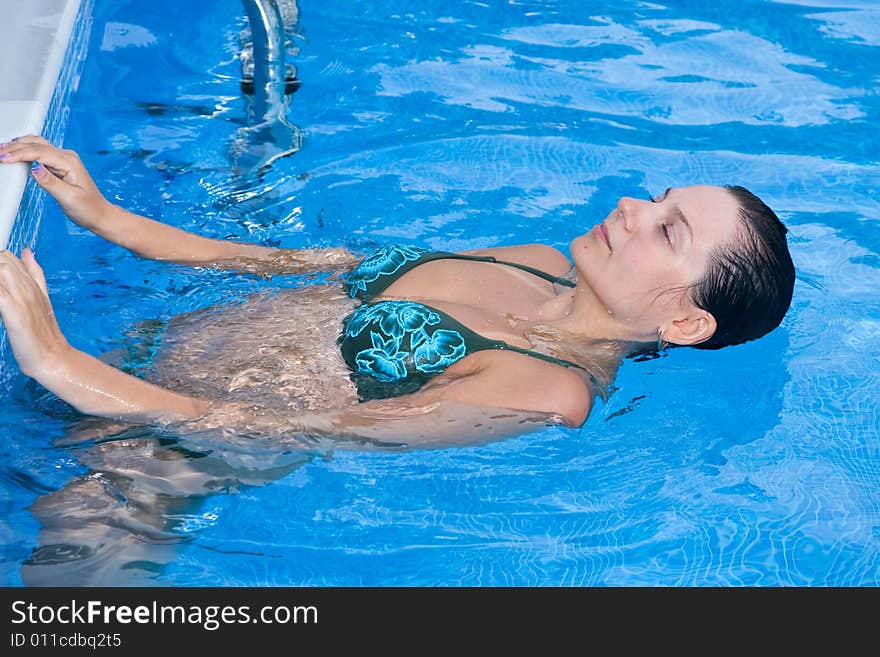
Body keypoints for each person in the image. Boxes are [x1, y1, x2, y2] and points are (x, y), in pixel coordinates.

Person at [0, 135, 795, 449]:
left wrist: (63, 367)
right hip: (124, 360)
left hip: (148, 453)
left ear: (687, 322)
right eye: (658, 197)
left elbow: (303, 430)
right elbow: (284, 265)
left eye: (666, 230)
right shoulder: (537, 259)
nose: (633, 207)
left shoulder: (550, 391)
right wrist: (105, 217)